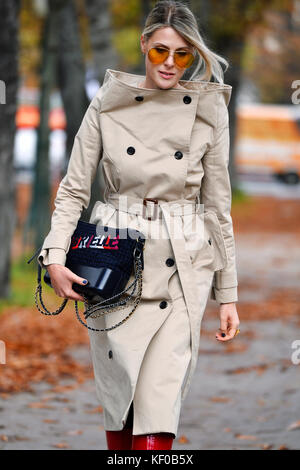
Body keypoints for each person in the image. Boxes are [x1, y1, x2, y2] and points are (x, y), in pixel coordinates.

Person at [37, 0, 240, 450]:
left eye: (182, 54)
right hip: (116, 259)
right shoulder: (108, 106)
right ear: (143, 44)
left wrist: (228, 295)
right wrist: (53, 257)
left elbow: (218, 207)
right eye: (160, 50)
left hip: (181, 264)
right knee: (121, 399)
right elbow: (73, 190)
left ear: (192, 56)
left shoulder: (209, 110)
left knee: (159, 405)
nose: (170, 62)